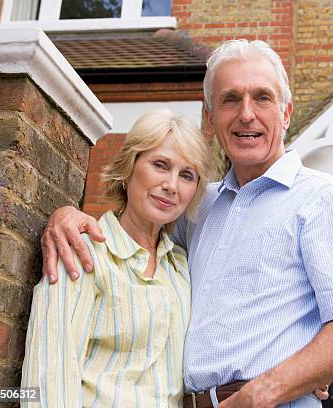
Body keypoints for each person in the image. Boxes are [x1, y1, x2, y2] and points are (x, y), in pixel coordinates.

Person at [41, 39, 333, 408]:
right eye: (230, 99)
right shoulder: (197, 205)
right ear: (210, 118)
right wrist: (67, 217)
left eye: (262, 98)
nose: (246, 114)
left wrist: (261, 393)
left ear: (286, 113)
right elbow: (135, 233)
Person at [22, 108, 211, 407]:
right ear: (128, 170)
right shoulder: (83, 251)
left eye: (186, 175)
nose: (172, 185)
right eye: (160, 165)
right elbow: (47, 375)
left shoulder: (182, 268)